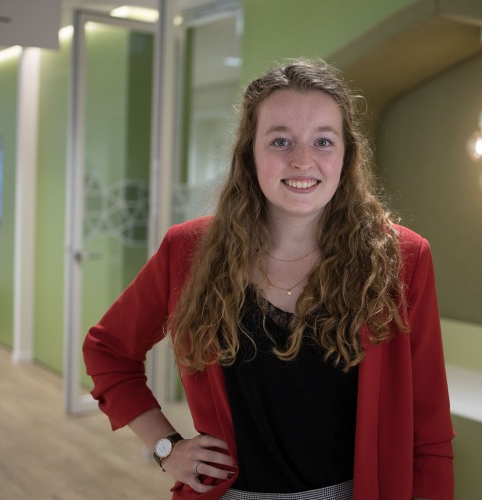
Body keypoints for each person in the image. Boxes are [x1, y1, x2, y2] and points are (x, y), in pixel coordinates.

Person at [83, 58, 454, 500]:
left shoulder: (401, 258)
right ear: (249, 153)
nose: (303, 160)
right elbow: (107, 351)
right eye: (281, 140)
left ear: (346, 154)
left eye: (323, 141)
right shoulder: (188, 251)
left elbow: (428, 430)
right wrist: (167, 447)